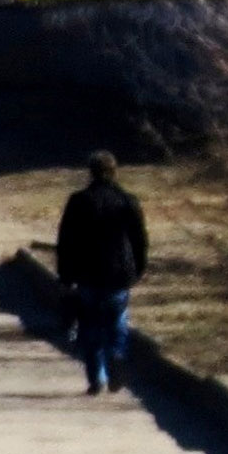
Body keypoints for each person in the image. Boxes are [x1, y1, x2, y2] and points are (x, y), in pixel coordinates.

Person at [56, 149, 151, 396]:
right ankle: (117, 355)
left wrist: (65, 275)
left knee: (89, 326)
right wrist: (138, 268)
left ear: (91, 172)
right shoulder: (127, 201)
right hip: (119, 273)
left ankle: (96, 376)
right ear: (114, 171)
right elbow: (140, 239)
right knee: (117, 321)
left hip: (87, 273)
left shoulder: (78, 201)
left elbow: (66, 241)